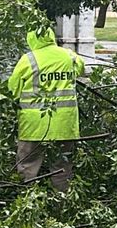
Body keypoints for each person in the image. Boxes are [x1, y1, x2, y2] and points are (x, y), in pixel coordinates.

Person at [6, 24, 85, 192]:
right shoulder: (69, 56)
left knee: (27, 165)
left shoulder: (28, 59)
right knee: (62, 167)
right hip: (64, 124)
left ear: (31, 38)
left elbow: (12, 90)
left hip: (33, 125)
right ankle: (62, 200)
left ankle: (27, 200)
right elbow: (80, 69)